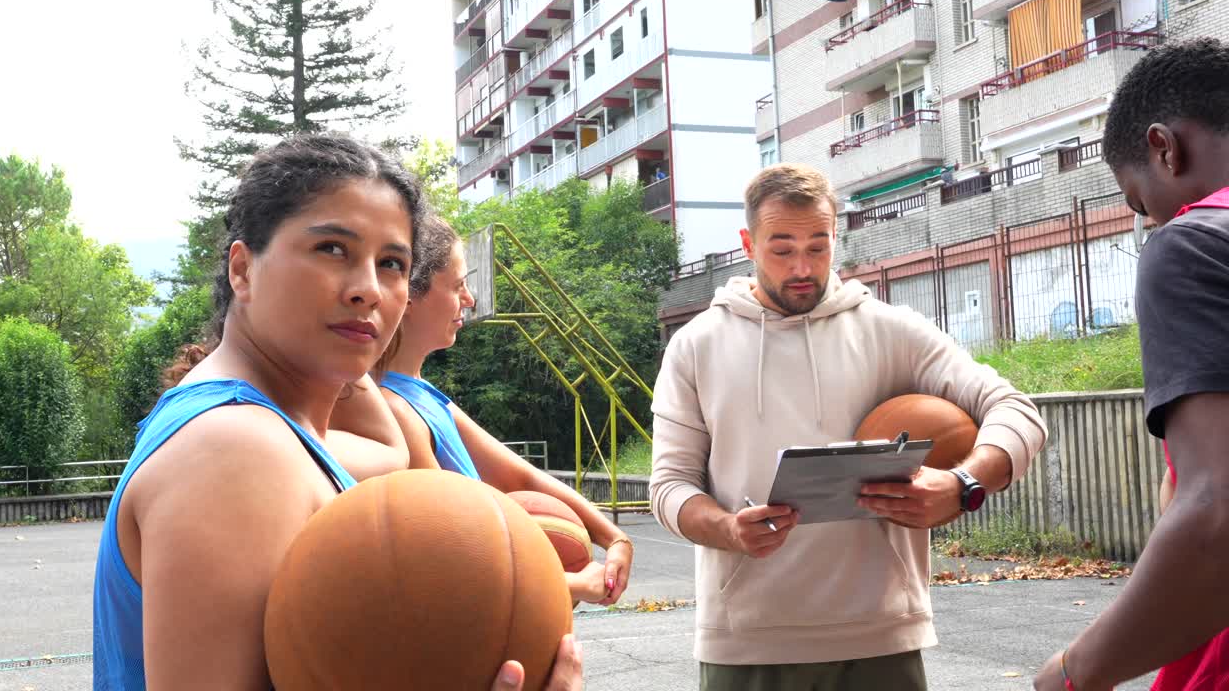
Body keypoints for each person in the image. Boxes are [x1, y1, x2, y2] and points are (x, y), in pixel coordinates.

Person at [91, 134, 583, 691]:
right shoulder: (237, 452)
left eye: (392, 263)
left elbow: (392, 453)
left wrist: (341, 371)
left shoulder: (277, 429)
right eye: (332, 249)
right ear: (242, 270)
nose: (368, 290)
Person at [649, 162, 1048, 690]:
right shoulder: (697, 345)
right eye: (782, 247)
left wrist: (962, 485)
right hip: (747, 638)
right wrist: (727, 530)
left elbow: (1018, 410)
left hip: (880, 634)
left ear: (836, 237)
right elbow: (668, 486)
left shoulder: (892, 331)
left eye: (818, 246)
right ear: (749, 242)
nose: (802, 267)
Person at [1033, 37, 1229, 691]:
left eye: (1138, 203)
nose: (1148, 225)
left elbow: (1217, 511)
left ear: (1164, 149)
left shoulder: (1194, 242)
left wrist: (1074, 672)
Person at [330, 213, 635, 607]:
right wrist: (575, 585)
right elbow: (454, 551)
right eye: (458, 285)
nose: (470, 299)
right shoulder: (392, 412)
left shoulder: (424, 396)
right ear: (409, 298)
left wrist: (614, 538)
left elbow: (519, 475)